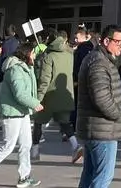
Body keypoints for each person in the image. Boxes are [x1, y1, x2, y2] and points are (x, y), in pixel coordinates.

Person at [0, 40, 42, 188]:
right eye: (33, 53)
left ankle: (24, 176)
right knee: (8, 146)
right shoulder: (15, 69)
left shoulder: (26, 68)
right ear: (27, 53)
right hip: (12, 112)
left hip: (22, 112)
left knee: (26, 144)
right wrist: (34, 103)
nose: (35, 56)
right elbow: (19, 93)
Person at [74, 25, 121, 188]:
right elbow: (101, 97)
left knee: (90, 174)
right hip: (102, 130)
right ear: (106, 41)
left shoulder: (100, 59)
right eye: (118, 42)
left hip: (96, 128)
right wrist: (117, 115)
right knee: (103, 176)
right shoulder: (99, 62)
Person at [32, 30, 77, 162]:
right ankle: (76, 146)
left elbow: (45, 80)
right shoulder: (70, 54)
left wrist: (38, 99)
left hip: (49, 95)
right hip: (66, 95)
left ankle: (35, 151)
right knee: (64, 123)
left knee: (38, 122)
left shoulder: (49, 56)